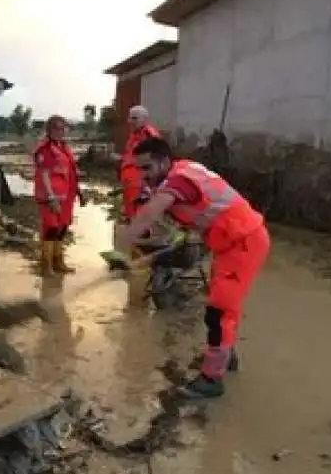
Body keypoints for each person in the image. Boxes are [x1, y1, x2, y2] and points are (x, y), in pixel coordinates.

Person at [117, 136, 270, 399]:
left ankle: (212, 379)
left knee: (218, 313)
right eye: (138, 169)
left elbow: (152, 211)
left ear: (164, 162)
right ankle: (226, 356)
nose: (142, 176)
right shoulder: (179, 171)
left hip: (242, 243)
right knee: (223, 307)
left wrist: (126, 241)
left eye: (146, 168)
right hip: (228, 243)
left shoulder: (179, 181)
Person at [33, 115, 85, 276]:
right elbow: (44, 173)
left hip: (66, 196)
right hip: (50, 197)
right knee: (51, 229)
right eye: (57, 128)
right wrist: (51, 197)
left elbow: (70, 172)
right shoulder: (46, 148)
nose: (61, 132)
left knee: (62, 229)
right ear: (49, 130)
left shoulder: (63, 146)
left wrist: (79, 192)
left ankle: (59, 262)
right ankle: (46, 266)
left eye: (63, 128)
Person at [114, 105, 160, 222]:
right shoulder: (135, 135)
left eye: (134, 118)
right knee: (132, 212)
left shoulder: (149, 135)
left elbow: (154, 161)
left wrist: (146, 184)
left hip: (140, 183)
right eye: (130, 118)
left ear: (145, 119)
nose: (130, 121)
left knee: (141, 212)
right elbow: (131, 156)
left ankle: (141, 234)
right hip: (130, 183)